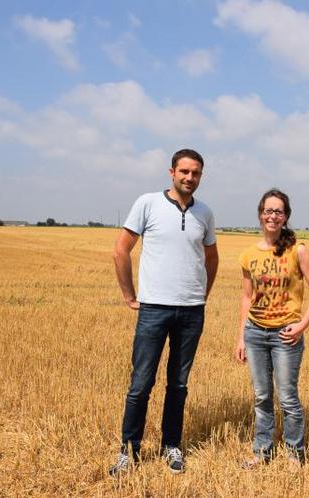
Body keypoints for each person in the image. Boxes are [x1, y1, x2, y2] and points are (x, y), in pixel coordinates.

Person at [109, 149, 219, 476]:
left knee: (179, 385)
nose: (189, 178)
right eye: (184, 171)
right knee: (141, 384)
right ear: (171, 172)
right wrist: (130, 295)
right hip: (154, 308)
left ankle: (172, 446)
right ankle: (128, 451)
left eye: (196, 173)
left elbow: (212, 259)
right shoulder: (148, 203)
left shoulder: (206, 213)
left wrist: (202, 294)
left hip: (191, 312)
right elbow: (120, 250)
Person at [235, 188, 309, 470]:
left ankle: (294, 454)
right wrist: (241, 336)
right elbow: (247, 297)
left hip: (286, 334)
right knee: (261, 397)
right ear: (261, 214)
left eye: (279, 211)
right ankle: (262, 452)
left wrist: (302, 324)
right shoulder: (248, 254)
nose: (273, 216)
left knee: (287, 397)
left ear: (285, 217)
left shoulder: (298, 250)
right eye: (268, 210)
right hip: (255, 333)